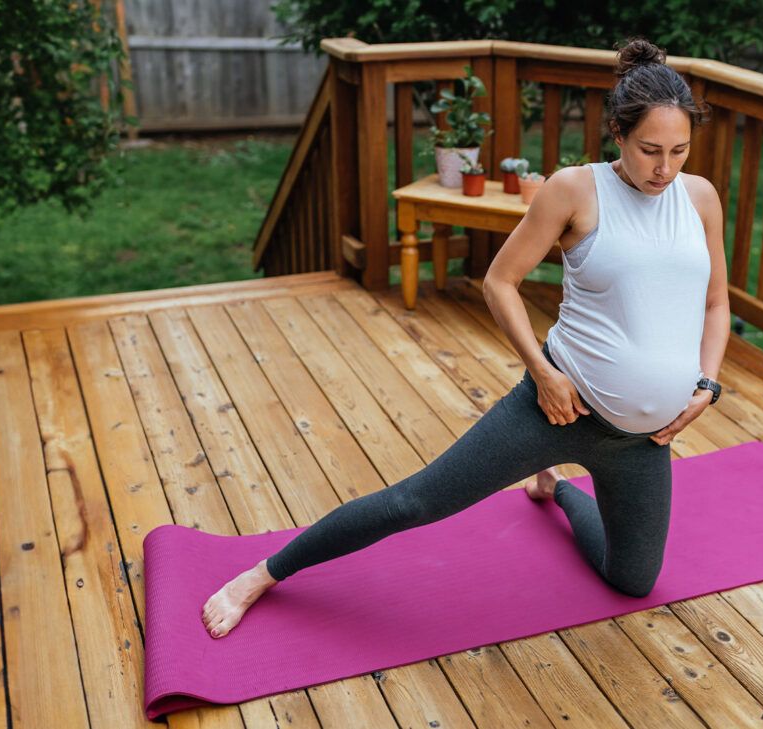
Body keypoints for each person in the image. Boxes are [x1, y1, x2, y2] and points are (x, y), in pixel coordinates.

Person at [201, 36, 730, 639]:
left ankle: (555, 489)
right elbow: (500, 281)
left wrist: (707, 385)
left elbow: (716, 302)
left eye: (680, 150)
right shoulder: (575, 191)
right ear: (616, 132)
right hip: (558, 409)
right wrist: (543, 374)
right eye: (649, 150)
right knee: (417, 502)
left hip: (645, 439)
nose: (665, 168)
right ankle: (263, 574)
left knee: (634, 579)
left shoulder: (699, 198)